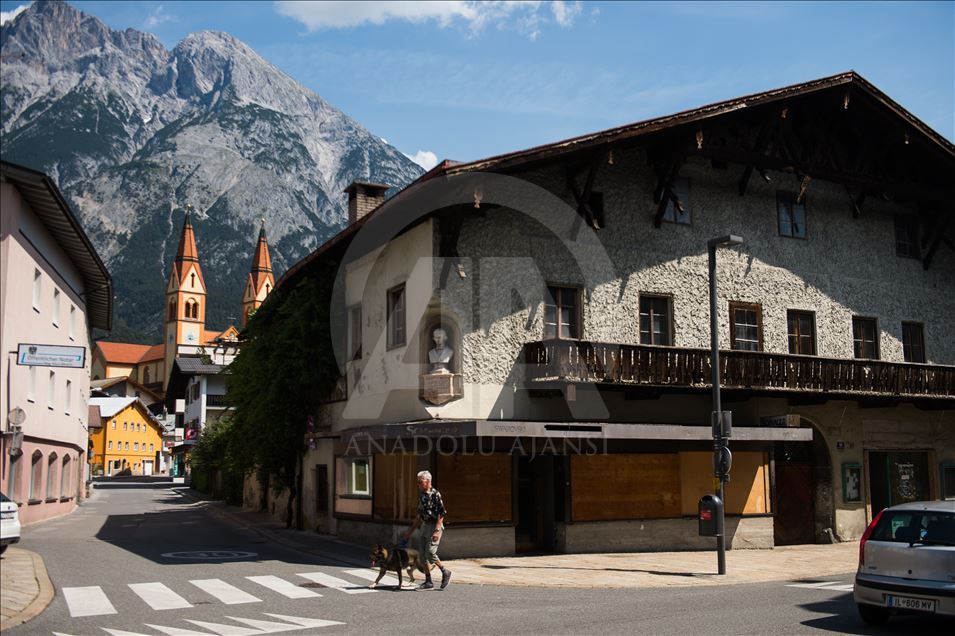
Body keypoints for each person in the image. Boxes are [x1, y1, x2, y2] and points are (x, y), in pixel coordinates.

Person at [402, 470, 451, 589]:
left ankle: (445, 571)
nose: (418, 484)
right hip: (424, 525)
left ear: (428, 481)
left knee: (430, 552)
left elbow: (442, 513)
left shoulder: (435, 494)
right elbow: (419, 516)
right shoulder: (422, 495)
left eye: (420, 481)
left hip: (434, 526)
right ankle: (428, 581)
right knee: (423, 556)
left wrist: (437, 530)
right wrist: (409, 532)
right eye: (417, 481)